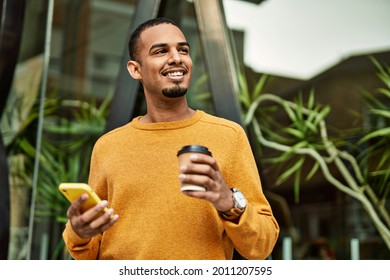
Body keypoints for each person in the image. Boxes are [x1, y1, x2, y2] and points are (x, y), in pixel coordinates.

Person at [62, 17, 279, 260]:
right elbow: (88, 252)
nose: (177, 57)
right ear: (136, 70)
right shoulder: (108, 146)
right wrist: (78, 232)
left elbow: (262, 246)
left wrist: (228, 202)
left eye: (183, 50)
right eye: (161, 51)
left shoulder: (228, 136)